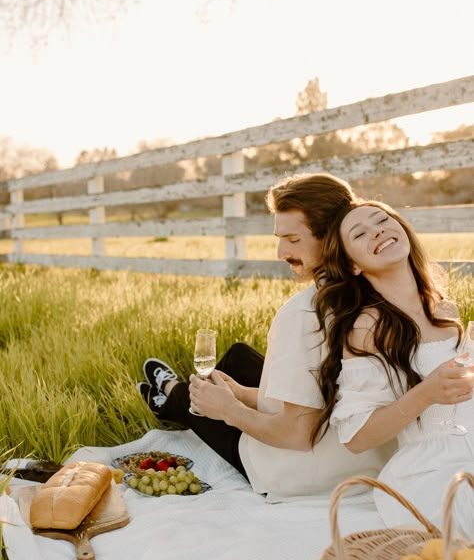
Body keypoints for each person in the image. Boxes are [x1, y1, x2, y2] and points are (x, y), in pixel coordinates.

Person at [137, 173, 394, 501]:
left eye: (292, 239)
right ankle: (179, 394)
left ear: (330, 236)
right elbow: (332, 394)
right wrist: (243, 394)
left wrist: (230, 410)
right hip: (367, 461)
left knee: (202, 400)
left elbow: (298, 434)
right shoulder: (380, 284)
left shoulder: (302, 314)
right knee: (239, 358)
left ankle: (171, 398)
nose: (280, 251)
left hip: (299, 472)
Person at [312, 199, 474, 535]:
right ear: (354, 265)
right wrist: (426, 393)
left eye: (382, 220)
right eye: (360, 233)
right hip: (432, 471)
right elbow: (356, 437)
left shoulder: (444, 308)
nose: (378, 231)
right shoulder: (368, 326)